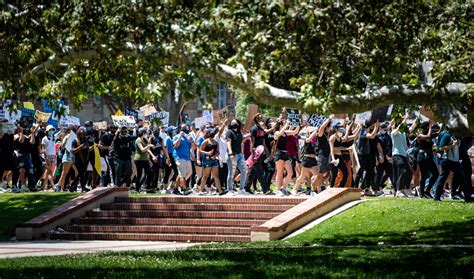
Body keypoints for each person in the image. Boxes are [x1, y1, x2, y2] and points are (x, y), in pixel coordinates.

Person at [432, 126, 473, 202]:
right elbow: (440, 148)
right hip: (447, 160)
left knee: (461, 178)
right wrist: (452, 145)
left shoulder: (453, 136)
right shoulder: (446, 135)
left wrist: (457, 144)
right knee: (444, 178)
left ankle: (467, 197)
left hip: (454, 160)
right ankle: (437, 197)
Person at [197, 126, 227, 195]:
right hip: (207, 160)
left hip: (214, 160)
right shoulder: (206, 141)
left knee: (216, 176)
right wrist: (207, 153)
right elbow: (200, 150)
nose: (213, 133)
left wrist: (215, 156)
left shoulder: (216, 142)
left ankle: (220, 191)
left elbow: (218, 152)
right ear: (208, 133)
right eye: (212, 132)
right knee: (205, 176)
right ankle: (201, 191)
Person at [273, 119, 299, 196]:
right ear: (280, 125)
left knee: (290, 173)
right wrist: (286, 124)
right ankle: (278, 190)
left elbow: (295, 132)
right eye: (283, 124)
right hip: (279, 153)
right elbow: (280, 133)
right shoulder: (277, 132)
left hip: (286, 154)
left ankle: (282, 187)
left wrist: (297, 124)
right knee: (280, 173)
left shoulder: (285, 133)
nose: (285, 125)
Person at [390, 115, 413, 197]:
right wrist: (405, 120)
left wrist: (417, 120)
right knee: (404, 171)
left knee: (409, 172)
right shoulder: (393, 133)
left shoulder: (403, 133)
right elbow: (398, 128)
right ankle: (398, 190)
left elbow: (411, 129)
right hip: (396, 154)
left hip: (404, 154)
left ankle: (403, 189)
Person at [292, 126, 319, 195]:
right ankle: (294, 189)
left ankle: (314, 190)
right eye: (312, 133)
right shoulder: (308, 139)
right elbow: (308, 139)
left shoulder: (315, 140)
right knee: (302, 176)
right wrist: (315, 130)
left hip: (313, 160)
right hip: (307, 159)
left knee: (317, 175)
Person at [416, 122, 438, 198]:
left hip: (429, 156)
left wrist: (444, 124)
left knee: (436, 173)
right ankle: (421, 193)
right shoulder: (420, 136)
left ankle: (427, 190)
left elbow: (439, 133)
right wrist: (430, 128)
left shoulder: (430, 135)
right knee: (424, 175)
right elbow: (428, 137)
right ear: (425, 128)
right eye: (428, 127)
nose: (430, 129)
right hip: (422, 156)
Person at [226, 119, 249, 195]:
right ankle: (229, 190)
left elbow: (241, 142)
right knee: (231, 173)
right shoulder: (229, 132)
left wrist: (242, 153)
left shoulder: (239, 132)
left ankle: (241, 189)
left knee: (244, 170)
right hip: (233, 155)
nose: (234, 124)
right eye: (232, 122)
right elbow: (228, 143)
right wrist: (230, 153)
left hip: (239, 155)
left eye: (235, 122)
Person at [172, 124, 193, 195]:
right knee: (182, 174)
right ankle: (184, 189)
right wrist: (180, 137)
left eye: (185, 127)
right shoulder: (176, 136)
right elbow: (175, 145)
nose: (185, 129)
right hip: (179, 157)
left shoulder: (187, 137)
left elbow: (193, 147)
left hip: (187, 157)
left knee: (189, 172)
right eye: (183, 127)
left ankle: (176, 188)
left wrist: (191, 141)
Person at [134, 127, 154, 193]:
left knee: (149, 173)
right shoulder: (138, 140)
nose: (146, 134)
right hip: (139, 159)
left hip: (145, 159)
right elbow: (142, 149)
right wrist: (149, 146)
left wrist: (150, 139)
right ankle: (137, 188)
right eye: (145, 133)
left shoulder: (143, 139)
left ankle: (148, 188)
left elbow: (147, 145)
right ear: (142, 133)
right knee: (139, 174)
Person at [329, 123, 348, 188]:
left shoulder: (340, 137)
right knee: (334, 174)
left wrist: (349, 126)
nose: (341, 131)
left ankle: (341, 187)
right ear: (336, 129)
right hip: (334, 157)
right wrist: (333, 159)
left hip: (340, 157)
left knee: (346, 173)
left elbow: (345, 138)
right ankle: (330, 188)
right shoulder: (332, 138)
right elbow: (331, 149)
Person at [40, 125, 56, 190]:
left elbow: (62, 132)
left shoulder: (53, 137)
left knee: (47, 172)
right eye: (50, 130)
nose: (51, 131)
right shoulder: (44, 138)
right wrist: (46, 157)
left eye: (52, 130)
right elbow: (43, 149)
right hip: (47, 157)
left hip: (52, 156)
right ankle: (53, 186)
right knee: (50, 171)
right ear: (47, 131)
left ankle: (43, 187)